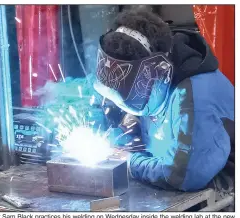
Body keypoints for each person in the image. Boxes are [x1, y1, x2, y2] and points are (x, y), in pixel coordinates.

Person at [94, 8, 234, 191]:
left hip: (223, 188)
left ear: (157, 73)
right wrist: (127, 130)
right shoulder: (154, 61)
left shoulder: (196, 96)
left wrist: (129, 162)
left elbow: (183, 176)